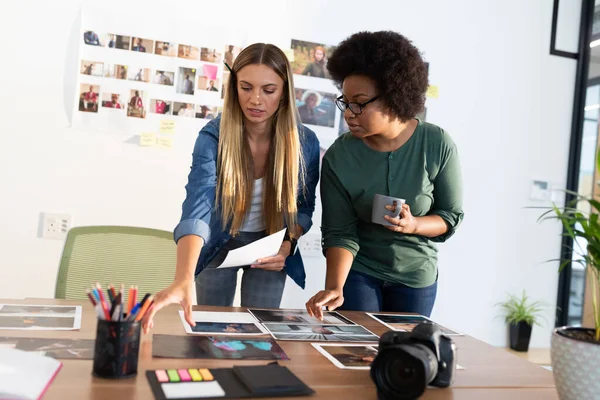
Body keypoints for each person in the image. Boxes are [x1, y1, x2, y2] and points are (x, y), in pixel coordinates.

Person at [142, 43, 320, 333]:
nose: (255, 100)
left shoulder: (305, 143)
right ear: (234, 86)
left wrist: (287, 245)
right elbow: (198, 204)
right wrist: (182, 277)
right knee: (211, 331)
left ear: (285, 91)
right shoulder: (212, 137)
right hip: (218, 244)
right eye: (246, 87)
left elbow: (303, 207)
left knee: (259, 333)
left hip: (269, 248)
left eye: (268, 90)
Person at [305, 31, 464, 319]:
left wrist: (414, 224)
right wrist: (335, 286)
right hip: (361, 271)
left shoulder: (436, 143)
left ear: (393, 97)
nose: (349, 113)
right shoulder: (340, 157)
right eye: (346, 102)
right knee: (359, 351)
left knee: (406, 356)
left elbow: (449, 216)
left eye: (360, 103)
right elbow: (340, 231)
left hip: (416, 276)